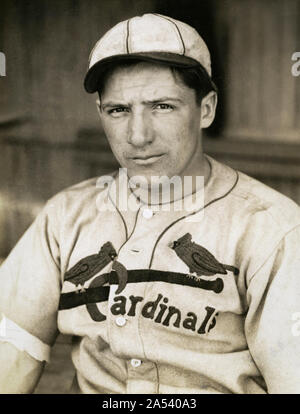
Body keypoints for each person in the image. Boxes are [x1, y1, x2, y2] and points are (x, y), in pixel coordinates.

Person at [0, 13, 300, 394]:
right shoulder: (65, 216)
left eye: (162, 106)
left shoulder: (273, 228)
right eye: (118, 110)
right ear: (100, 114)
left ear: (206, 109)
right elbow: (10, 352)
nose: (137, 136)